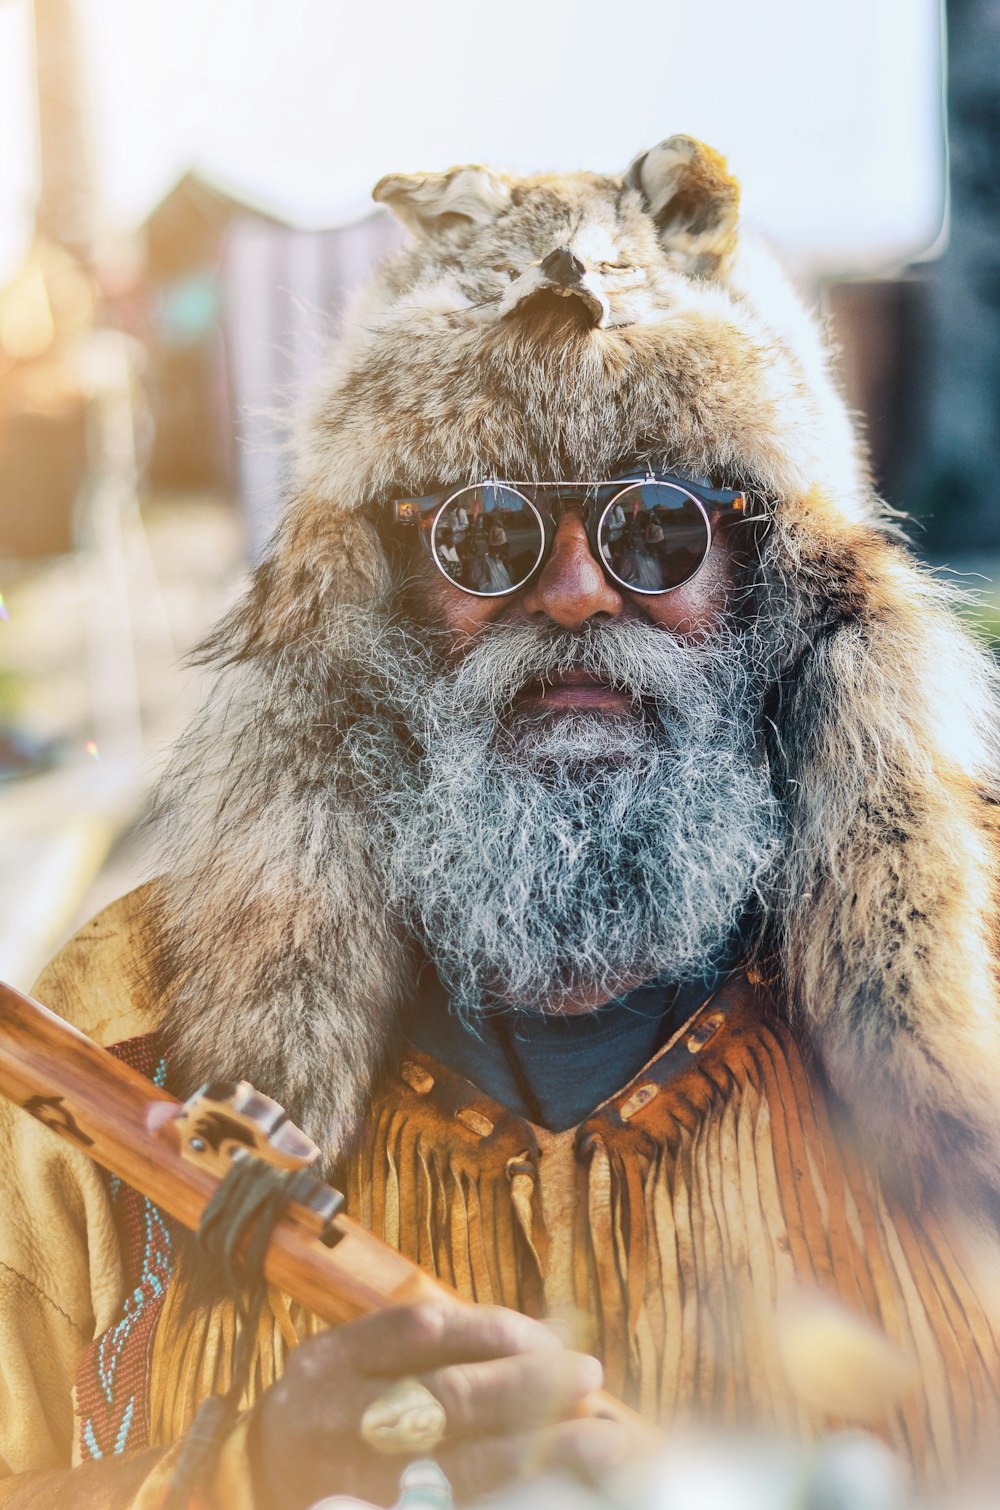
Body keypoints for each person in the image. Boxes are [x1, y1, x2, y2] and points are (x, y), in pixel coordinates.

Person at [2, 134, 1000, 1509]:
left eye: (658, 528)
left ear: (772, 577)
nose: (579, 590)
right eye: (488, 531)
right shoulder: (116, 1052)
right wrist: (235, 1475)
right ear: (390, 587)